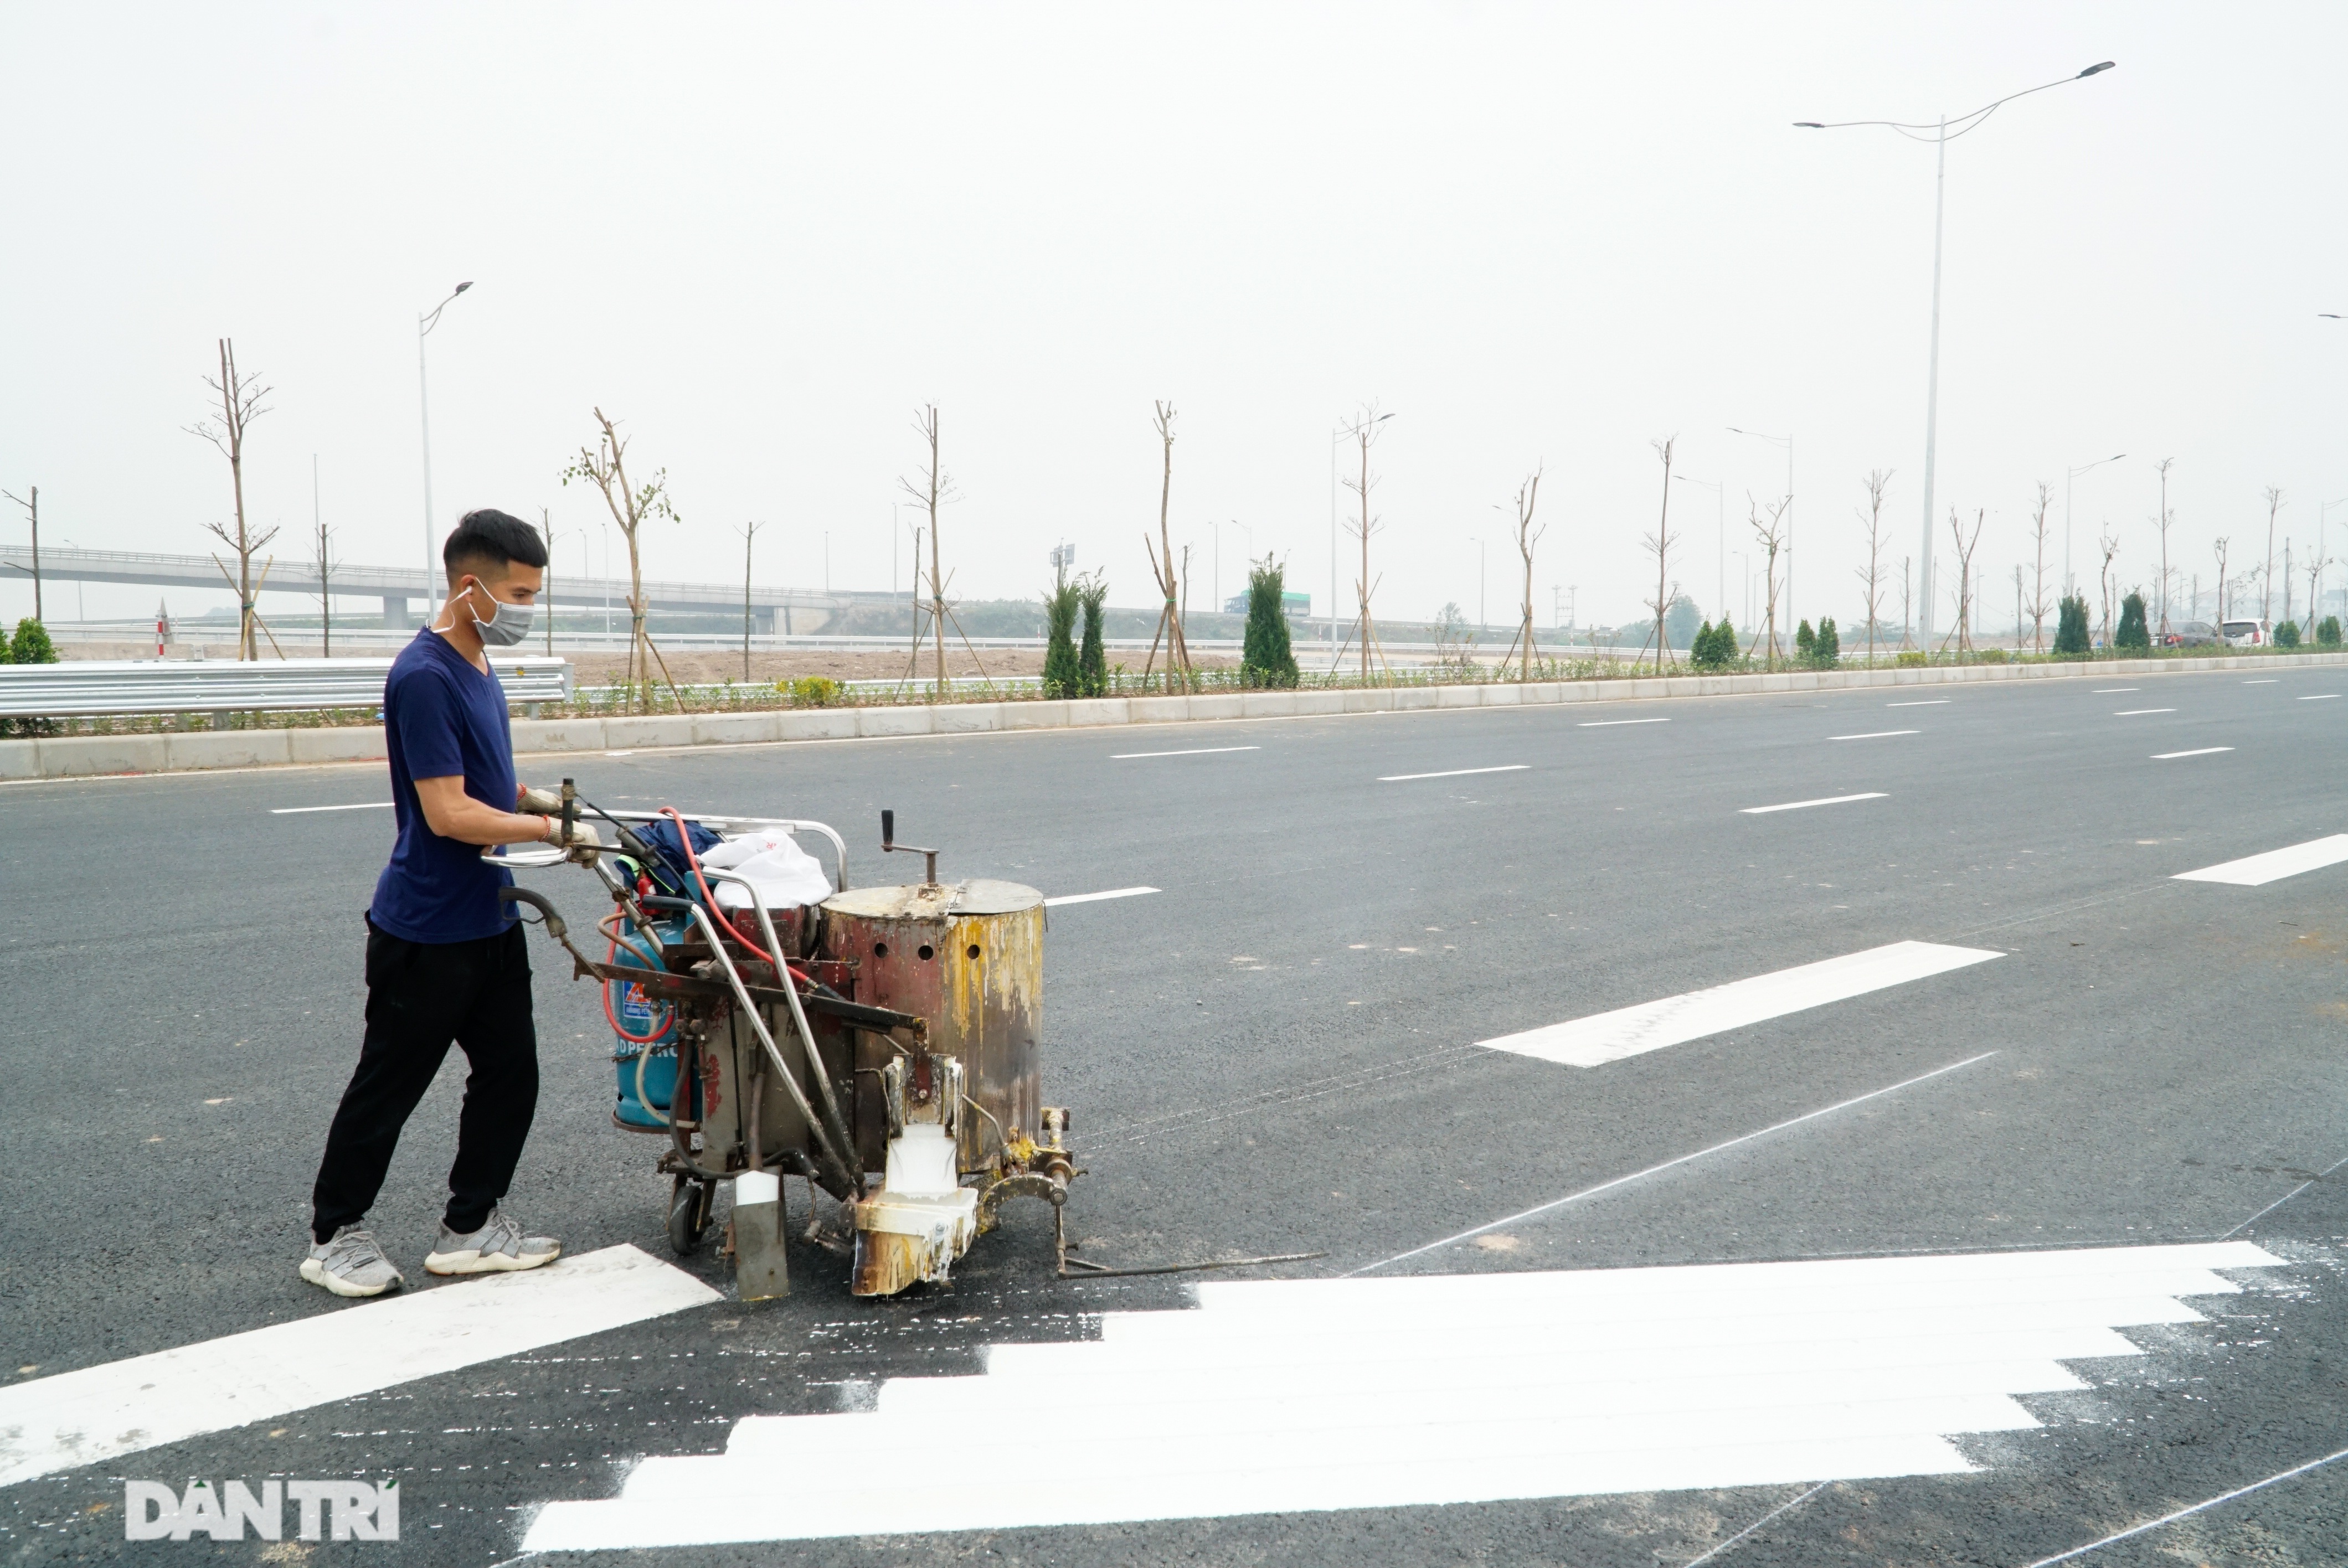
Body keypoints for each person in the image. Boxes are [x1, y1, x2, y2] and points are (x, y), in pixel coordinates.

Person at [301, 509, 598, 1297]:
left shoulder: (479, 664)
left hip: (490, 912)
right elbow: (448, 814)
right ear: (471, 587)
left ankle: (470, 1228)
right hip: (428, 928)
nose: (527, 611)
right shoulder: (425, 675)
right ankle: (334, 1236)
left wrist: (537, 800)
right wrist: (548, 830)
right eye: (520, 596)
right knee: (389, 1086)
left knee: (511, 1074)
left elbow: (483, 783)